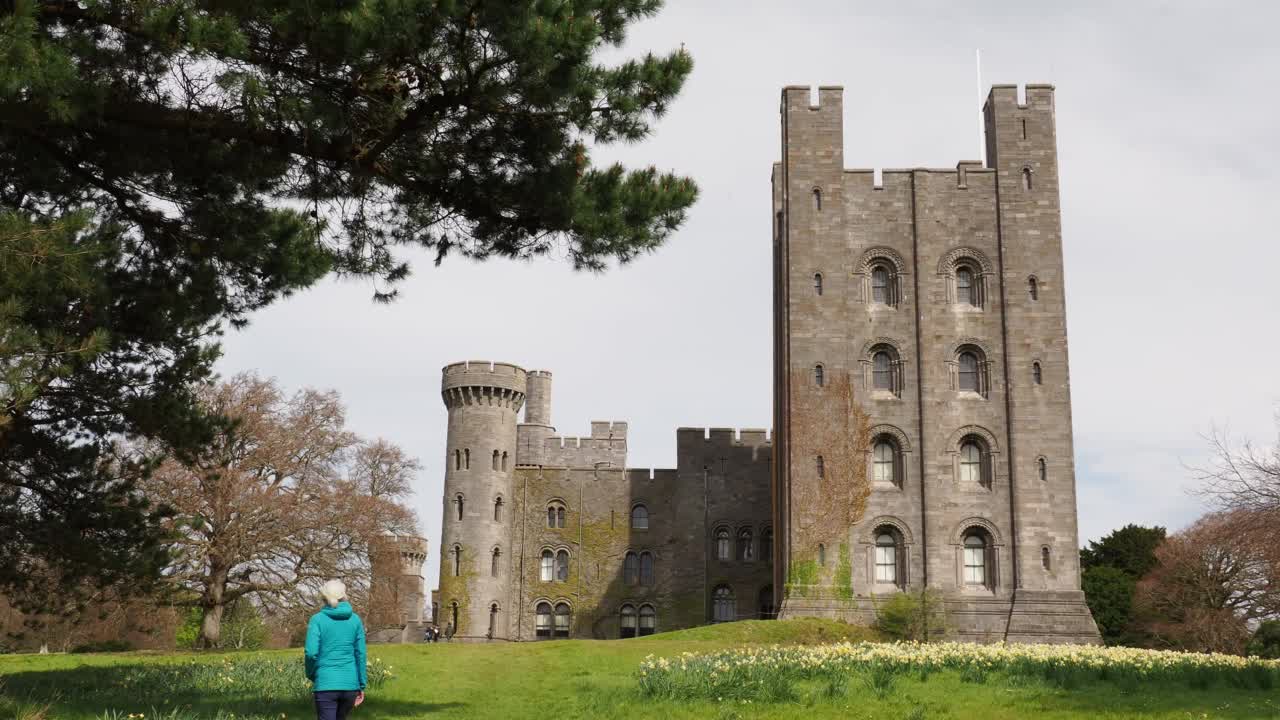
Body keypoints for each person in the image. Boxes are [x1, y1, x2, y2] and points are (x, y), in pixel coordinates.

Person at [305, 580, 368, 720]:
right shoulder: (355, 620)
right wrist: (361, 685)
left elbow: (311, 653)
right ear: (344, 596)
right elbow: (361, 654)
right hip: (350, 684)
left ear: (324, 598)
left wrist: (311, 674)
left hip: (325, 683)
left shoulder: (317, 620)